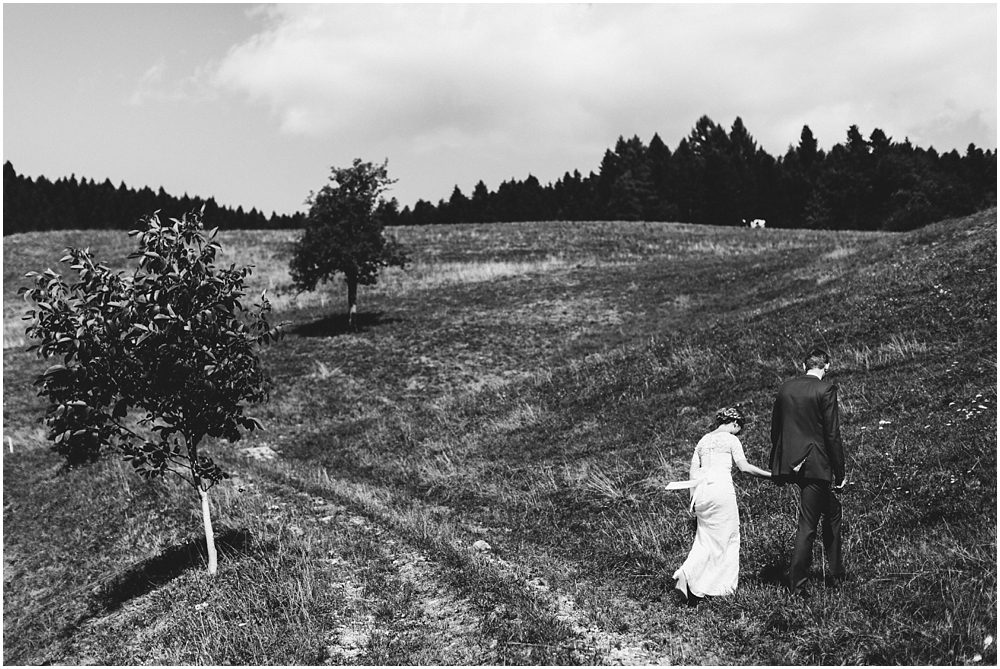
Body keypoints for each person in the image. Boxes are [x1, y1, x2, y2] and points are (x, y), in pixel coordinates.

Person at [673, 406, 771, 603]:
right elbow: (744, 468)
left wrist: (693, 502)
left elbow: (693, 473)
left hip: (701, 493)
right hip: (721, 491)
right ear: (735, 424)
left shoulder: (702, 441)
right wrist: (771, 476)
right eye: (739, 429)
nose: (739, 433)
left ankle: (685, 574)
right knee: (728, 537)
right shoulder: (731, 440)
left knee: (705, 538)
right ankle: (723, 588)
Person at [769, 348, 847, 597]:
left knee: (833, 511)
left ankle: (835, 573)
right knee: (808, 525)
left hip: (791, 463)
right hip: (815, 465)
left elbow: (776, 429)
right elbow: (832, 434)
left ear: (804, 365)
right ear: (827, 366)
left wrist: (781, 462)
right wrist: (840, 472)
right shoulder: (825, 390)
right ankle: (797, 586)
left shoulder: (785, 388)